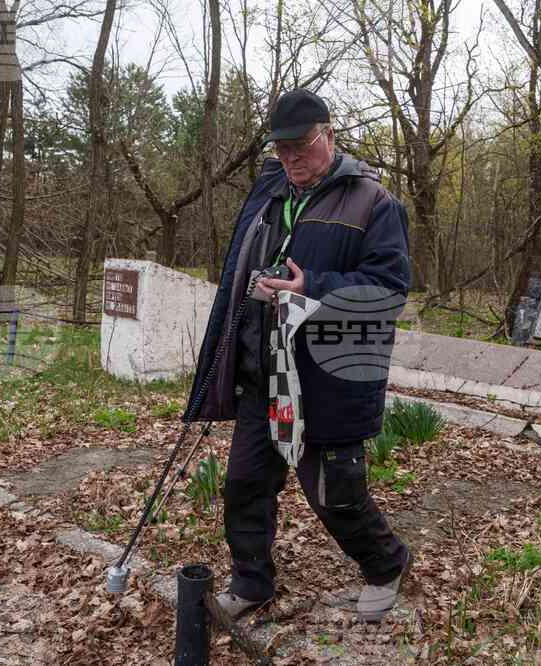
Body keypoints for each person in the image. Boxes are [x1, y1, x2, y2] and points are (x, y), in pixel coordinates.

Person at [182, 89, 412, 623]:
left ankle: (386, 565)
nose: (292, 161)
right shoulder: (269, 199)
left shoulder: (373, 203)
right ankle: (251, 582)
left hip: (326, 381)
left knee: (335, 494)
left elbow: (389, 289)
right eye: (282, 151)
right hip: (263, 374)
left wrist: (316, 289)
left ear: (329, 134)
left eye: (301, 148)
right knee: (244, 484)